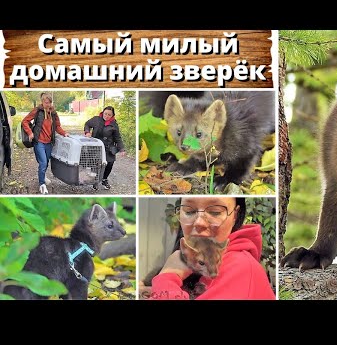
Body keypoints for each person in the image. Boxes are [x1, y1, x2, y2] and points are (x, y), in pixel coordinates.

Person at [148, 197, 276, 300]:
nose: (199, 222)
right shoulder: (187, 263)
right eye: (189, 211)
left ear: (235, 215)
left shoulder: (242, 267)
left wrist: (167, 278)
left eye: (215, 212)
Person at [22, 92, 69, 195]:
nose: (47, 104)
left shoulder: (53, 113)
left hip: (49, 142)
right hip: (39, 141)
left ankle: (42, 175)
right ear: (42, 102)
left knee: (46, 162)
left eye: (49, 102)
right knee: (43, 162)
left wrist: (64, 133)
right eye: (45, 102)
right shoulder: (37, 111)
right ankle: (42, 184)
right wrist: (30, 133)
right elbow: (25, 121)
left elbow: (57, 127)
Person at [84, 106, 125, 190]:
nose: (106, 116)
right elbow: (87, 124)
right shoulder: (96, 119)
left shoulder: (114, 125)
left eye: (109, 115)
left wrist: (122, 149)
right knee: (96, 164)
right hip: (96, 147)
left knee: (109, 164)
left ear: (112, 115)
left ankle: (104, 179)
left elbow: (118, 138)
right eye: (105, 114)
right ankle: (95, 180)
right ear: (103, 113)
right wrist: (87, 132)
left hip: (108, 147)